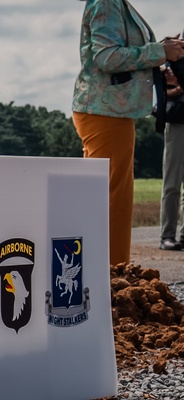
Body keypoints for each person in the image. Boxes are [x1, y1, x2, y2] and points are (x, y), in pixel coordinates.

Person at [72, 0, 184, 266]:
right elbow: (106, 57)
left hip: (112, 112)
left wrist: (159, 62)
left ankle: (110, 272)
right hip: (104, 111)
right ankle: (107, 274)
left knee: (115, 198)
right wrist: (159, 51)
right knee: (110, 199)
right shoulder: (106, 2)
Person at [159, 58, 184, 250]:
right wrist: (177, 89)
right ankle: (167, 235)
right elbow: (158, 91)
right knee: (172, 183)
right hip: (177, 123)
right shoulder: (171, 59)